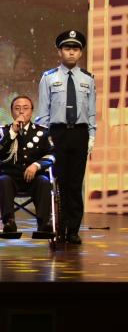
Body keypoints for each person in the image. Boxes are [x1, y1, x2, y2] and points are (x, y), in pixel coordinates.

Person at [37, 29, 96, 245]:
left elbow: (91, 112)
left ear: (81, 53)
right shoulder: (49, 78)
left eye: (75, 49)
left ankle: (73, 230)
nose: (71, 52)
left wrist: (92, 137)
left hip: (79, 134)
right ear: (59, 52)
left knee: (75, 184)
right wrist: (45, 138)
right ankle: (58, 226)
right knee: (58, 182)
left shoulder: (88, 79)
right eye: (67, 48)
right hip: (57, 134)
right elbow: (43, 112)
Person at [0, 95, 55, 236]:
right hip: (10, 177)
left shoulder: (43, 132)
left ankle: (44, 224)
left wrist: (36, 165)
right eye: (17, 108)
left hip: (35, 177)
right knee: (4, 181)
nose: (21, 112)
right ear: (11, 112)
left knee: (44, 181)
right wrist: (12, 132)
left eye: (25, 108)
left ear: (31, 111)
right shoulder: (1, 131)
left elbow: (52, 155)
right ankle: (9, 222)